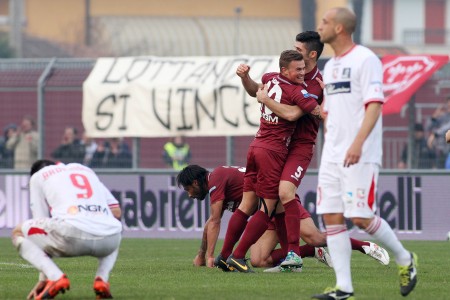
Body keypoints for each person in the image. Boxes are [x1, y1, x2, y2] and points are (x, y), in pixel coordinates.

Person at [314, 7, 418, 299]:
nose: (319, 26)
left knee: (360, 217)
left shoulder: (366, 59)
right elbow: (331, 111)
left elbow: (374, 104)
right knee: (332, 217)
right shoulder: (331, 66)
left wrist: (357, 143)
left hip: (360, 152)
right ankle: (344, 288)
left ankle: (405, 259)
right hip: (333, 155)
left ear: (339, 29)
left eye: (325, 22)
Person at [216, 32, 325, 273]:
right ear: (285, 70)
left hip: (258, 146)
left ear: (312, 54)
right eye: (295, 67)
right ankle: (237, 256)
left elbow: (266, 96)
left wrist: (264, 97)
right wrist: (248, 81)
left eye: (299, 49)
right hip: (273, 152)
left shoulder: (293, 80)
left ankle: (224, 256)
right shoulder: (297, 88)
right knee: (268, 207)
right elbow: (292, 113)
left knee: (248, 204)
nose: (299, 69)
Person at [176, 165, 390, 270]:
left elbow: (214, 222)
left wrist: (210, 257)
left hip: (281, 203)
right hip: (264, 215)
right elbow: (210, 223)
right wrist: (202, 254)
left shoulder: (217, 179)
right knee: (259, 261)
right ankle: (311, 252)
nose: (189, 194)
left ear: (196, 182)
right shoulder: (218, 182)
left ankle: (365, 246)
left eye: (188, 189)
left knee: (315, 236)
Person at [11, 159, 122, 299]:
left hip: (71, 235)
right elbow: (116, 212)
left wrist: (43, 279)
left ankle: (56, 277)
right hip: (109, 242)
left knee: (18, 231)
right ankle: (102, 280)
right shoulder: (86, 170)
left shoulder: (38, 177)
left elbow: (40, 222)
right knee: (112, 225)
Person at [426, 96, 450, 167]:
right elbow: (428, 127)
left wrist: (435, 134)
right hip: (442, 149)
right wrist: (434, 116)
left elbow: (447, 128)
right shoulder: (442, 116)